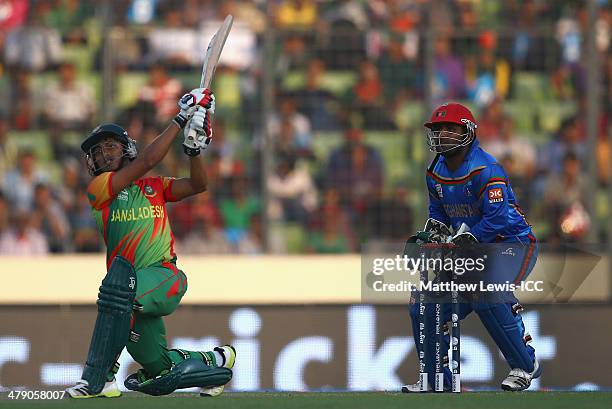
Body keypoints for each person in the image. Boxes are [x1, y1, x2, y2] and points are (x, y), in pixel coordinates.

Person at [66, 88, 236, 398]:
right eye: (98, 151)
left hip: (163, 277)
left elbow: (199, 184)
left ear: (125, 148)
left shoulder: (153, 186)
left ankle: (101, 376)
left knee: (118, 290)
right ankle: (216, 363)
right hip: (131, 295)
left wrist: (194, 150)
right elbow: (148, 159)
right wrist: (181, 118)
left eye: (111, 146)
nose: (104, 154)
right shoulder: (99, 189)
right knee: (159, 368)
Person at [402, 102, 541, 392]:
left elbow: (499, 220)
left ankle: (524, 364)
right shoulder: (434, 170)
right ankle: (435, 378)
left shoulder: (486, 169)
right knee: (425, 300)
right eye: (437, 130)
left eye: (449, 129)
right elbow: (439, 215)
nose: (441, 135)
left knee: (487, 291)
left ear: (467, 132)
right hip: (470, 250)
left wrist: (467, 239)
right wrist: (433, 237)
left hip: (511, 244)